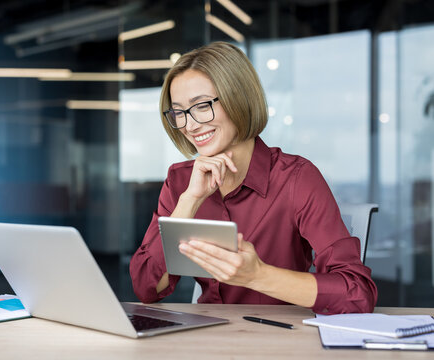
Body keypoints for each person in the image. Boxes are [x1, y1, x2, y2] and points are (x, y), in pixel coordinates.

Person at [129, 41, 377, 314]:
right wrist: (190, 200)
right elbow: (146, 288)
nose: (189, 125)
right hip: (207, 338)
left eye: (201, 106)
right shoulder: (181, 182)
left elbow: (358, 293)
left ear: (238, 98)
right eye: (179, 112)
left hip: (281, 338)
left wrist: (257, 275)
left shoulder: (296, 179)